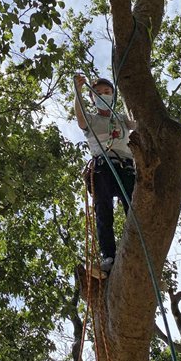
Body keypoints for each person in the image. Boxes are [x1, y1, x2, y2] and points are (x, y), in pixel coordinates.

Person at [74, 75, 136, 273]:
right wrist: (78, 91)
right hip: (103, 168)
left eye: (107, 92)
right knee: (103, 211)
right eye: (98, 94)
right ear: (92, 99)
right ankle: (109, 256)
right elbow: (80, 118)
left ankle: (140, 251)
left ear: (113, 95)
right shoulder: (92, 120)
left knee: (134, 207)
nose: (103, 96)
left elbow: (137, 122)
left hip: (125, 167)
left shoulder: (122, 119)